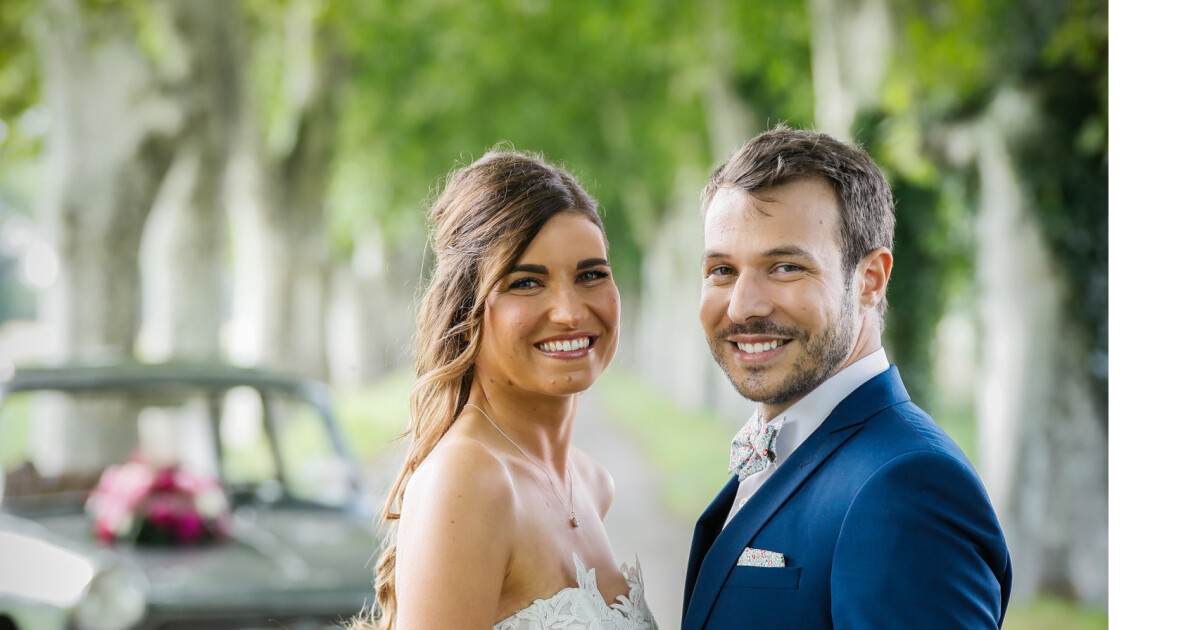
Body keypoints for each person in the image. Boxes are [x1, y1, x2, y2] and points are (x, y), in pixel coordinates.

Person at [681, 126, 1012, 629]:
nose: (743, 306)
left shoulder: (907, 488)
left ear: (870, 279)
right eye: (722, 270)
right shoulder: (795, 445)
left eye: (786, 267)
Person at [350, 149, 658, 630]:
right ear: (467, 306)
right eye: (527, 282)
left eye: (590, 274)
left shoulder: (593, 484)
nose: (571, 312)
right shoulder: (467, 479)